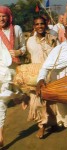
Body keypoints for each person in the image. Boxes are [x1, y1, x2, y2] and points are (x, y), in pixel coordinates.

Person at [26, 16, 57, 138]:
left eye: (42, 24)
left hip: (51, 73)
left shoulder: (53, 39)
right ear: (34, 26)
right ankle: (42, 126)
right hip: (36, 75)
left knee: (52, 101)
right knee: (37, 101)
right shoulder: (30, 41)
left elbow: (58, 54)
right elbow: (28, 55)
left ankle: (53, 122)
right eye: (37, 24)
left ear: (46, 25)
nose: (40, 26)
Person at [0, 5, 26, 147]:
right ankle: (0, 136)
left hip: (13, 71)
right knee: (1, 103)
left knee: (12, 94)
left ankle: (20, 96)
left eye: (3, 15)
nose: (1, 18)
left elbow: (23, 47)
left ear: (8, 17)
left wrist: (18, 52)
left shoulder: (16, 29)